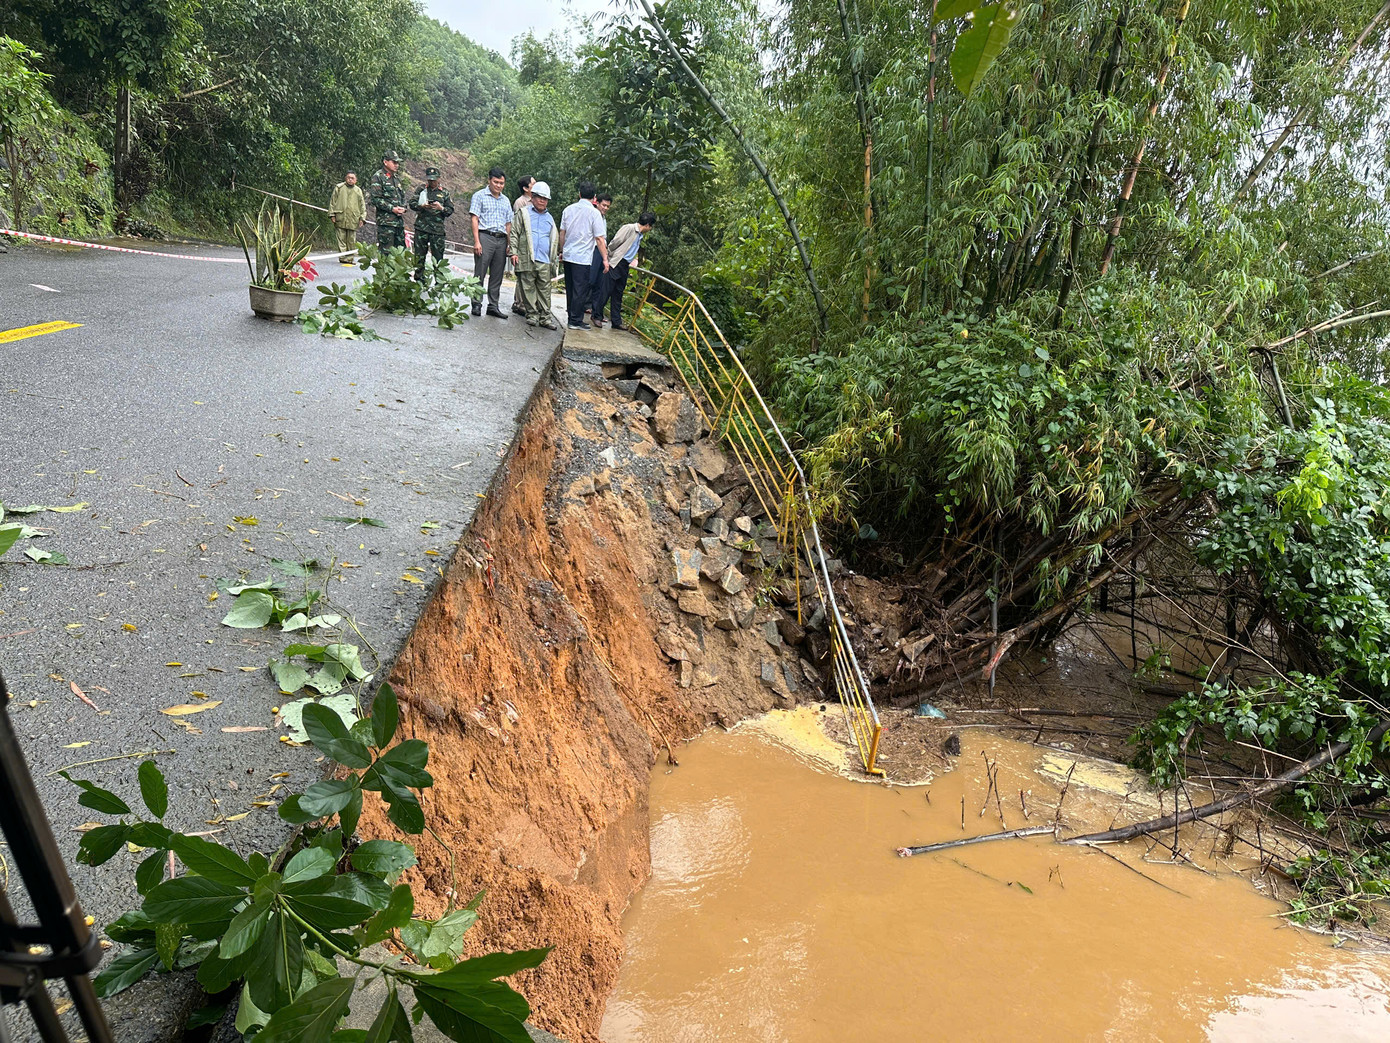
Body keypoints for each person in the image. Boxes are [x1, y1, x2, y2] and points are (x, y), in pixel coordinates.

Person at [508, 180, 559, 330]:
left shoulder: (550, 218)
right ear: (533, 197)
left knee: (545, 289)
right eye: (539, 197)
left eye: (545, 199)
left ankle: (545, 318)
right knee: (527, 287)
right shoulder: (523, 213)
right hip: (526, 257)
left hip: (544, 260)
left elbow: (554, 240)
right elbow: (514, 233)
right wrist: (513, 252)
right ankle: (532, 315)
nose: (542, 201)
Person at [560, 181, 608, 330]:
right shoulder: (594, 213)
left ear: (579, 194)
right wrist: (605, 259)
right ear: (594, 198)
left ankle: (571, 317)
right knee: (580, 290)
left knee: (570, 287)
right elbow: (599, 239)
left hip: (568, 255)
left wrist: (561, 251)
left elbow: (562, 233)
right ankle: (575, 320)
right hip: (582, 258)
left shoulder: (568, 210)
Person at [594, 211, 654, 331]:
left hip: (625, 265)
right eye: (651, 226)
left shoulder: (639, 235)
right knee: (606, 290)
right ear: (647, 225)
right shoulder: (629, 228)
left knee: (618, 293)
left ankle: (616, 321)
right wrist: (609, 255)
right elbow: (615, 242)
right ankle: (596, 316)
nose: (650, 229)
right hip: (617, 262)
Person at [469, 166, 513, 318]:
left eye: (501, 183)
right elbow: (474, 218)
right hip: (485, 236)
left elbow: (508, 224)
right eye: (496, 182)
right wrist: (476, 241)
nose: (499, 186)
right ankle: (476, 303)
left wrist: (509, 244)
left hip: (501, 239)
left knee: (497, 274)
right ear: (489, 181)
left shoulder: (506, 200)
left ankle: (493, 305)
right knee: (480, 271)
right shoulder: (479, 196)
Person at [410, 166, 454, 284]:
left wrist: (441, 208)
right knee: (419, 256)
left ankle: (439, 281)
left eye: (434, 180)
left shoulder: (444, 192)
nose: (432, 182)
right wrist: (422, 206)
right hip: (421, 228)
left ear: (439, 179)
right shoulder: (421, 189)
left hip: (437, 230)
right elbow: (412, 204)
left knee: (438, 257)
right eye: (430, 180)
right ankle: (419, 280)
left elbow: (450, 210)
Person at [369, 151, 407, 251]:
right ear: (385, 162)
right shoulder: (378, 177)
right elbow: (375, 199)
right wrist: (392, 209)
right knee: (386, 253)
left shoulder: (396, 178)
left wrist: (403, 208)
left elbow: (402, 197)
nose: (396, 165)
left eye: (397, 163)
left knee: (400, 255)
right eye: (394, 162)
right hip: (386, 224)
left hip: (398, 223)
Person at [328, 171, 366, 265]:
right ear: (345, 178)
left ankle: (350, 258)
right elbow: (333, 202)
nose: (350, 179)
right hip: (340, 217)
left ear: (356, 180)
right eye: (348, 177)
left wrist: (362, 218)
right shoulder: (339, 187)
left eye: (352, 178)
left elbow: (362, 205)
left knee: (351, 240)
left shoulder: (358, 191)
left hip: (353, 219)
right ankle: (343, 257)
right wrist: (332, 214)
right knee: (341, 238)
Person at [587, 191, 613, 326]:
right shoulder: (592, 214)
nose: (605, 208)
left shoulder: (603, 218)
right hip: (592, 250)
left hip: (601, 251)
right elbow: (597, 238)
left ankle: (596, 313)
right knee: (589, 281)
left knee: (599, 282)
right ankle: (583, 307)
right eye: (604, 205)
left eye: (608, 206)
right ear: (597, 203)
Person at [511, 175, 535, 315]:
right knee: (522, 274)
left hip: (533, 243)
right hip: (522, 243)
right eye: (533, 183)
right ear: (526, 188)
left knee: (530, 274)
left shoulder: (536, 201)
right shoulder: (520, 203)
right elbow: (517, 225)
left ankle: (526, 302)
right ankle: (518, 303)